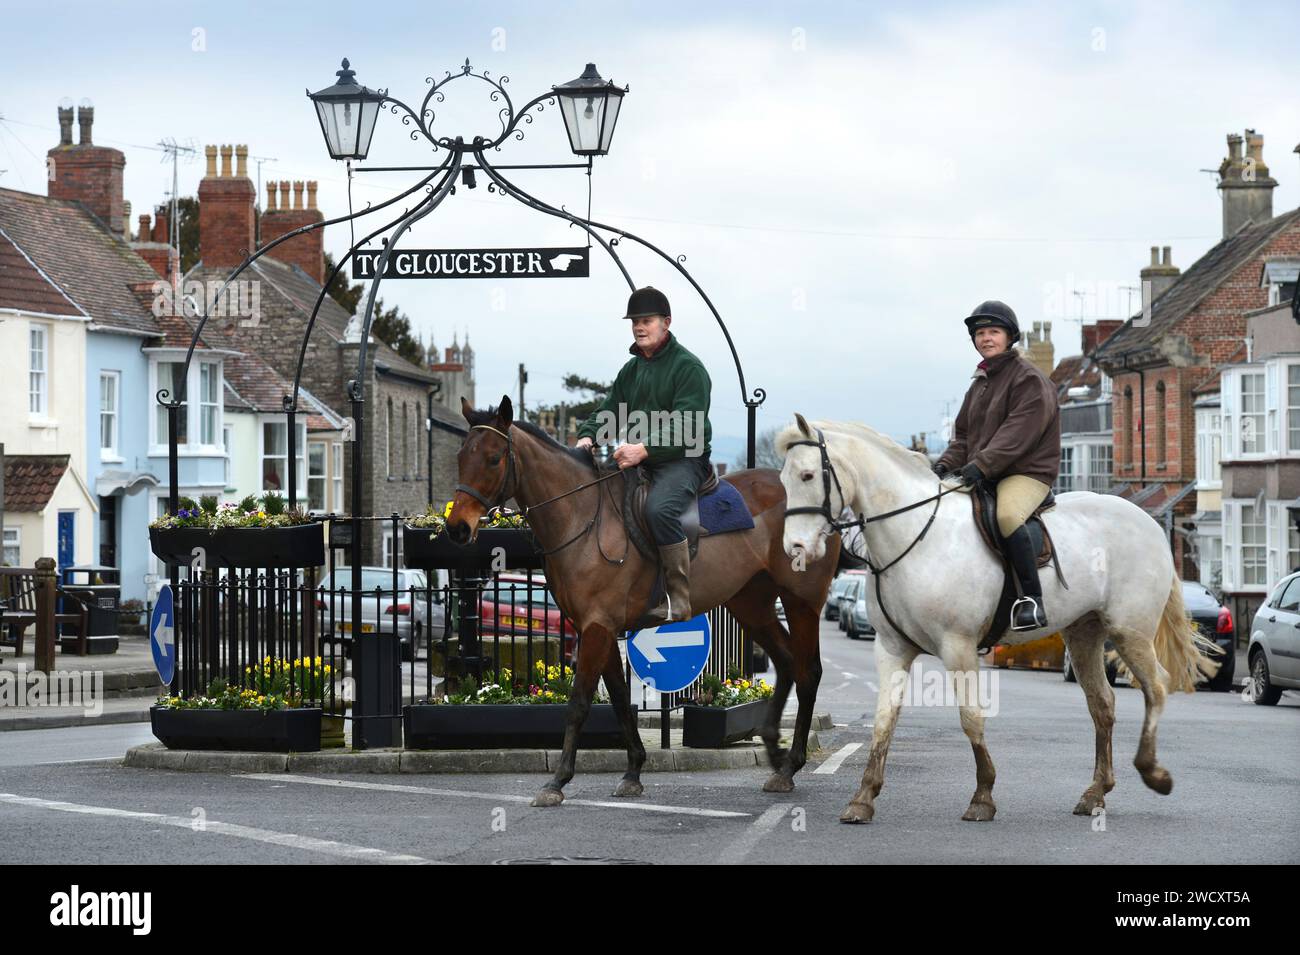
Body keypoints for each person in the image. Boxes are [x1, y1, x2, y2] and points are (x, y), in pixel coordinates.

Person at [575, 287, 713, 623]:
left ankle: (678, 598)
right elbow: (611, 411)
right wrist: (588, 435)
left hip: (684, 459)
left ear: (666, 322)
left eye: (647, 320)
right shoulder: (631, 371)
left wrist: (644, 448)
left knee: (659, 509)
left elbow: (688, 424)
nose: (639, 326)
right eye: (635, 321)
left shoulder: (689, 367)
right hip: (641, 459)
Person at [934, 301, 1061, 631]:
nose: (986, 338)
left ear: (1010, 337)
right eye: (980, 333)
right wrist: (944, 465)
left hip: (1026, 473)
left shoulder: (1030, 380)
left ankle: (1031, 601)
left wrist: (981, 465)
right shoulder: (979, 383)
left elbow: (1017, 434)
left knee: (1007, 515)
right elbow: (962, 436)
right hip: (985, 471)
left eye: (993, 331)